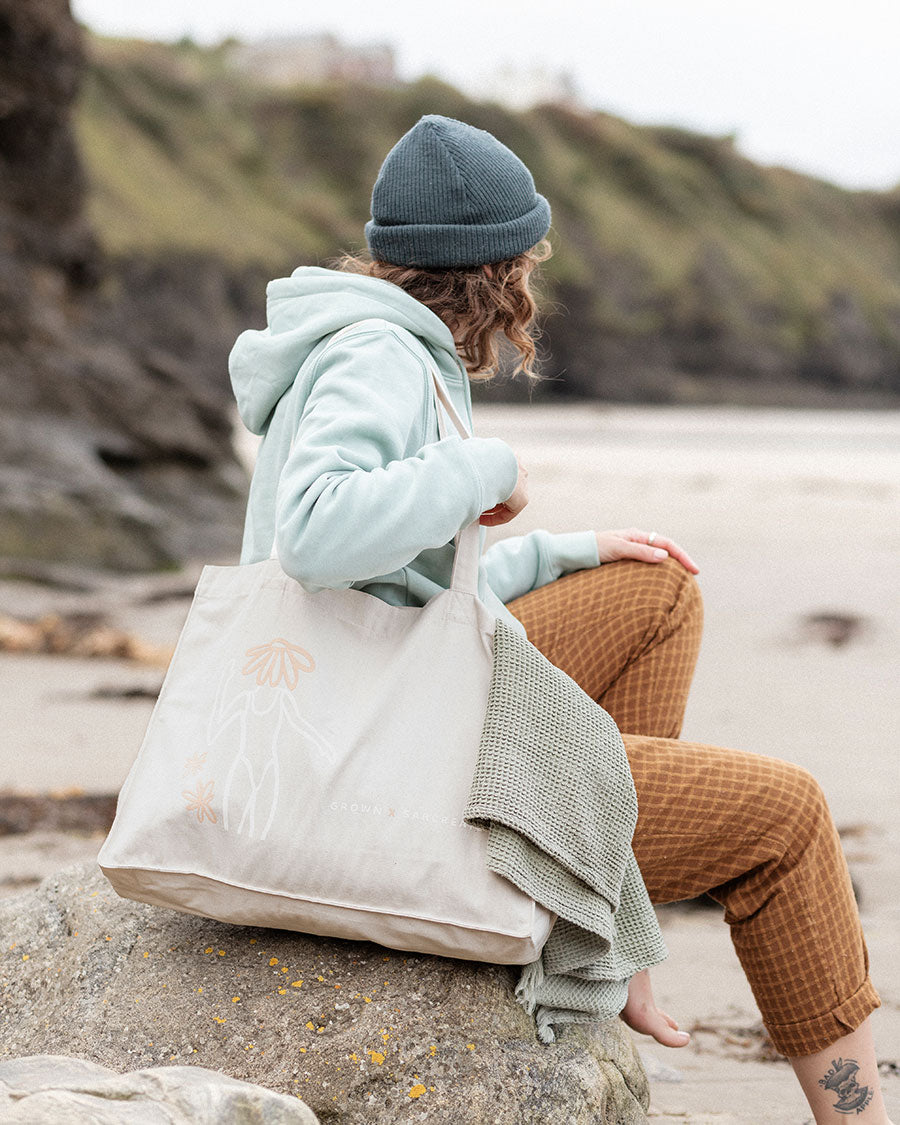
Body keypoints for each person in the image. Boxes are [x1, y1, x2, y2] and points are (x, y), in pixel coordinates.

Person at [230, 114, 893, 1123]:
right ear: (496, 268)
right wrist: (486, 467)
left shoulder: (369, 343)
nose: (535, 278)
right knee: (790, 817)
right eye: (529, 255)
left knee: (658, 588)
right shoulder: (378, 358)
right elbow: (318, 539)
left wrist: (563, 552)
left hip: (365, 698)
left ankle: (609, 920)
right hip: (380, 766)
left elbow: (391, 593)